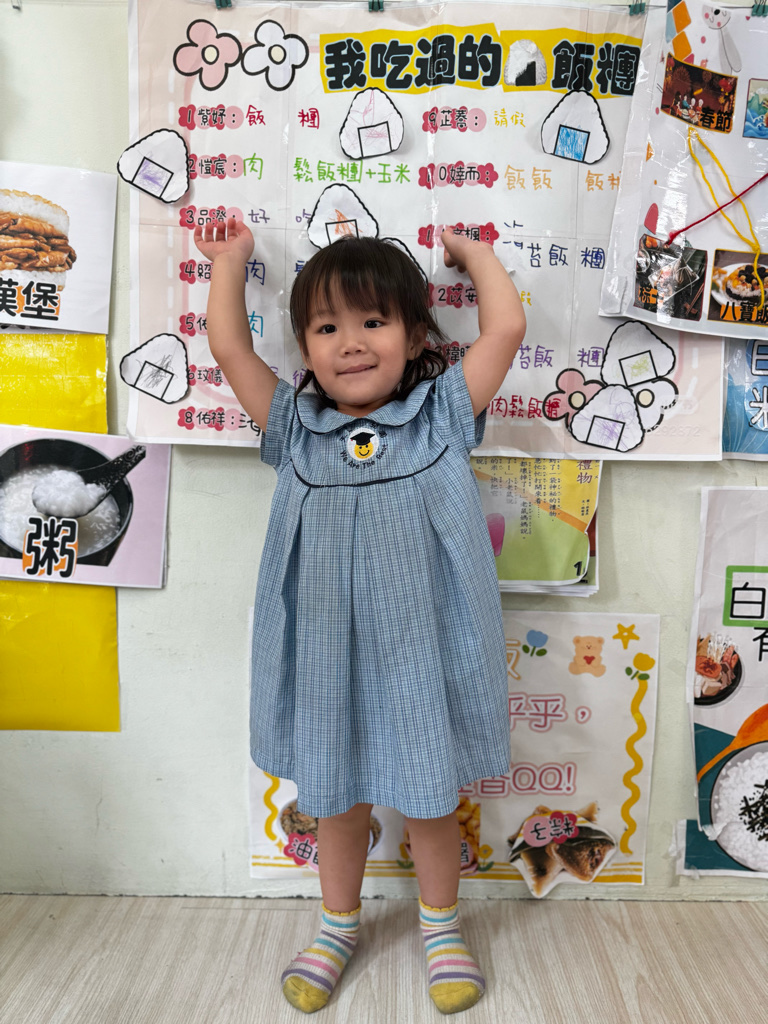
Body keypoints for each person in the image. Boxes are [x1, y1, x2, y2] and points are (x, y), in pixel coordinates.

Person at [195, 217, 526, 1015]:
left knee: (430, 802)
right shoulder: (293, 429)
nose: (350, 342)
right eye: (326, 327)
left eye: (373, 321)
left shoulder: (444, 413)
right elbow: (229, 347)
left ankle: (441, 927)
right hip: (326, 658)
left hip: (423, 655)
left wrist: (475, 254)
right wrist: (232, 262)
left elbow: (506, 329)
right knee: (336, 804)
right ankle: (337, 926)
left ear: (415, 336)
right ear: (305, 348)